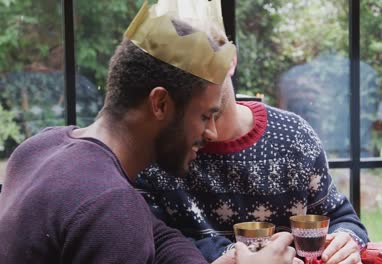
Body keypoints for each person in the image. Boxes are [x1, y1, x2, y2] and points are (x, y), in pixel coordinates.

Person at [0, 3, 297, 264]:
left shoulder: (41, 146)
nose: (211, 131)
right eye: (205, 115)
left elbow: (160, 237)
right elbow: (125, 219)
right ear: (160, 103)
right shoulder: (111, 206)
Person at [136, 25, 369, 264]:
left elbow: (341, 218)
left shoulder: (294, 137)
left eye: (204, 70)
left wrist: (346, 239)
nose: (193, 85)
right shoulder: (156, 150)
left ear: (231, 61)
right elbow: (150, 242)